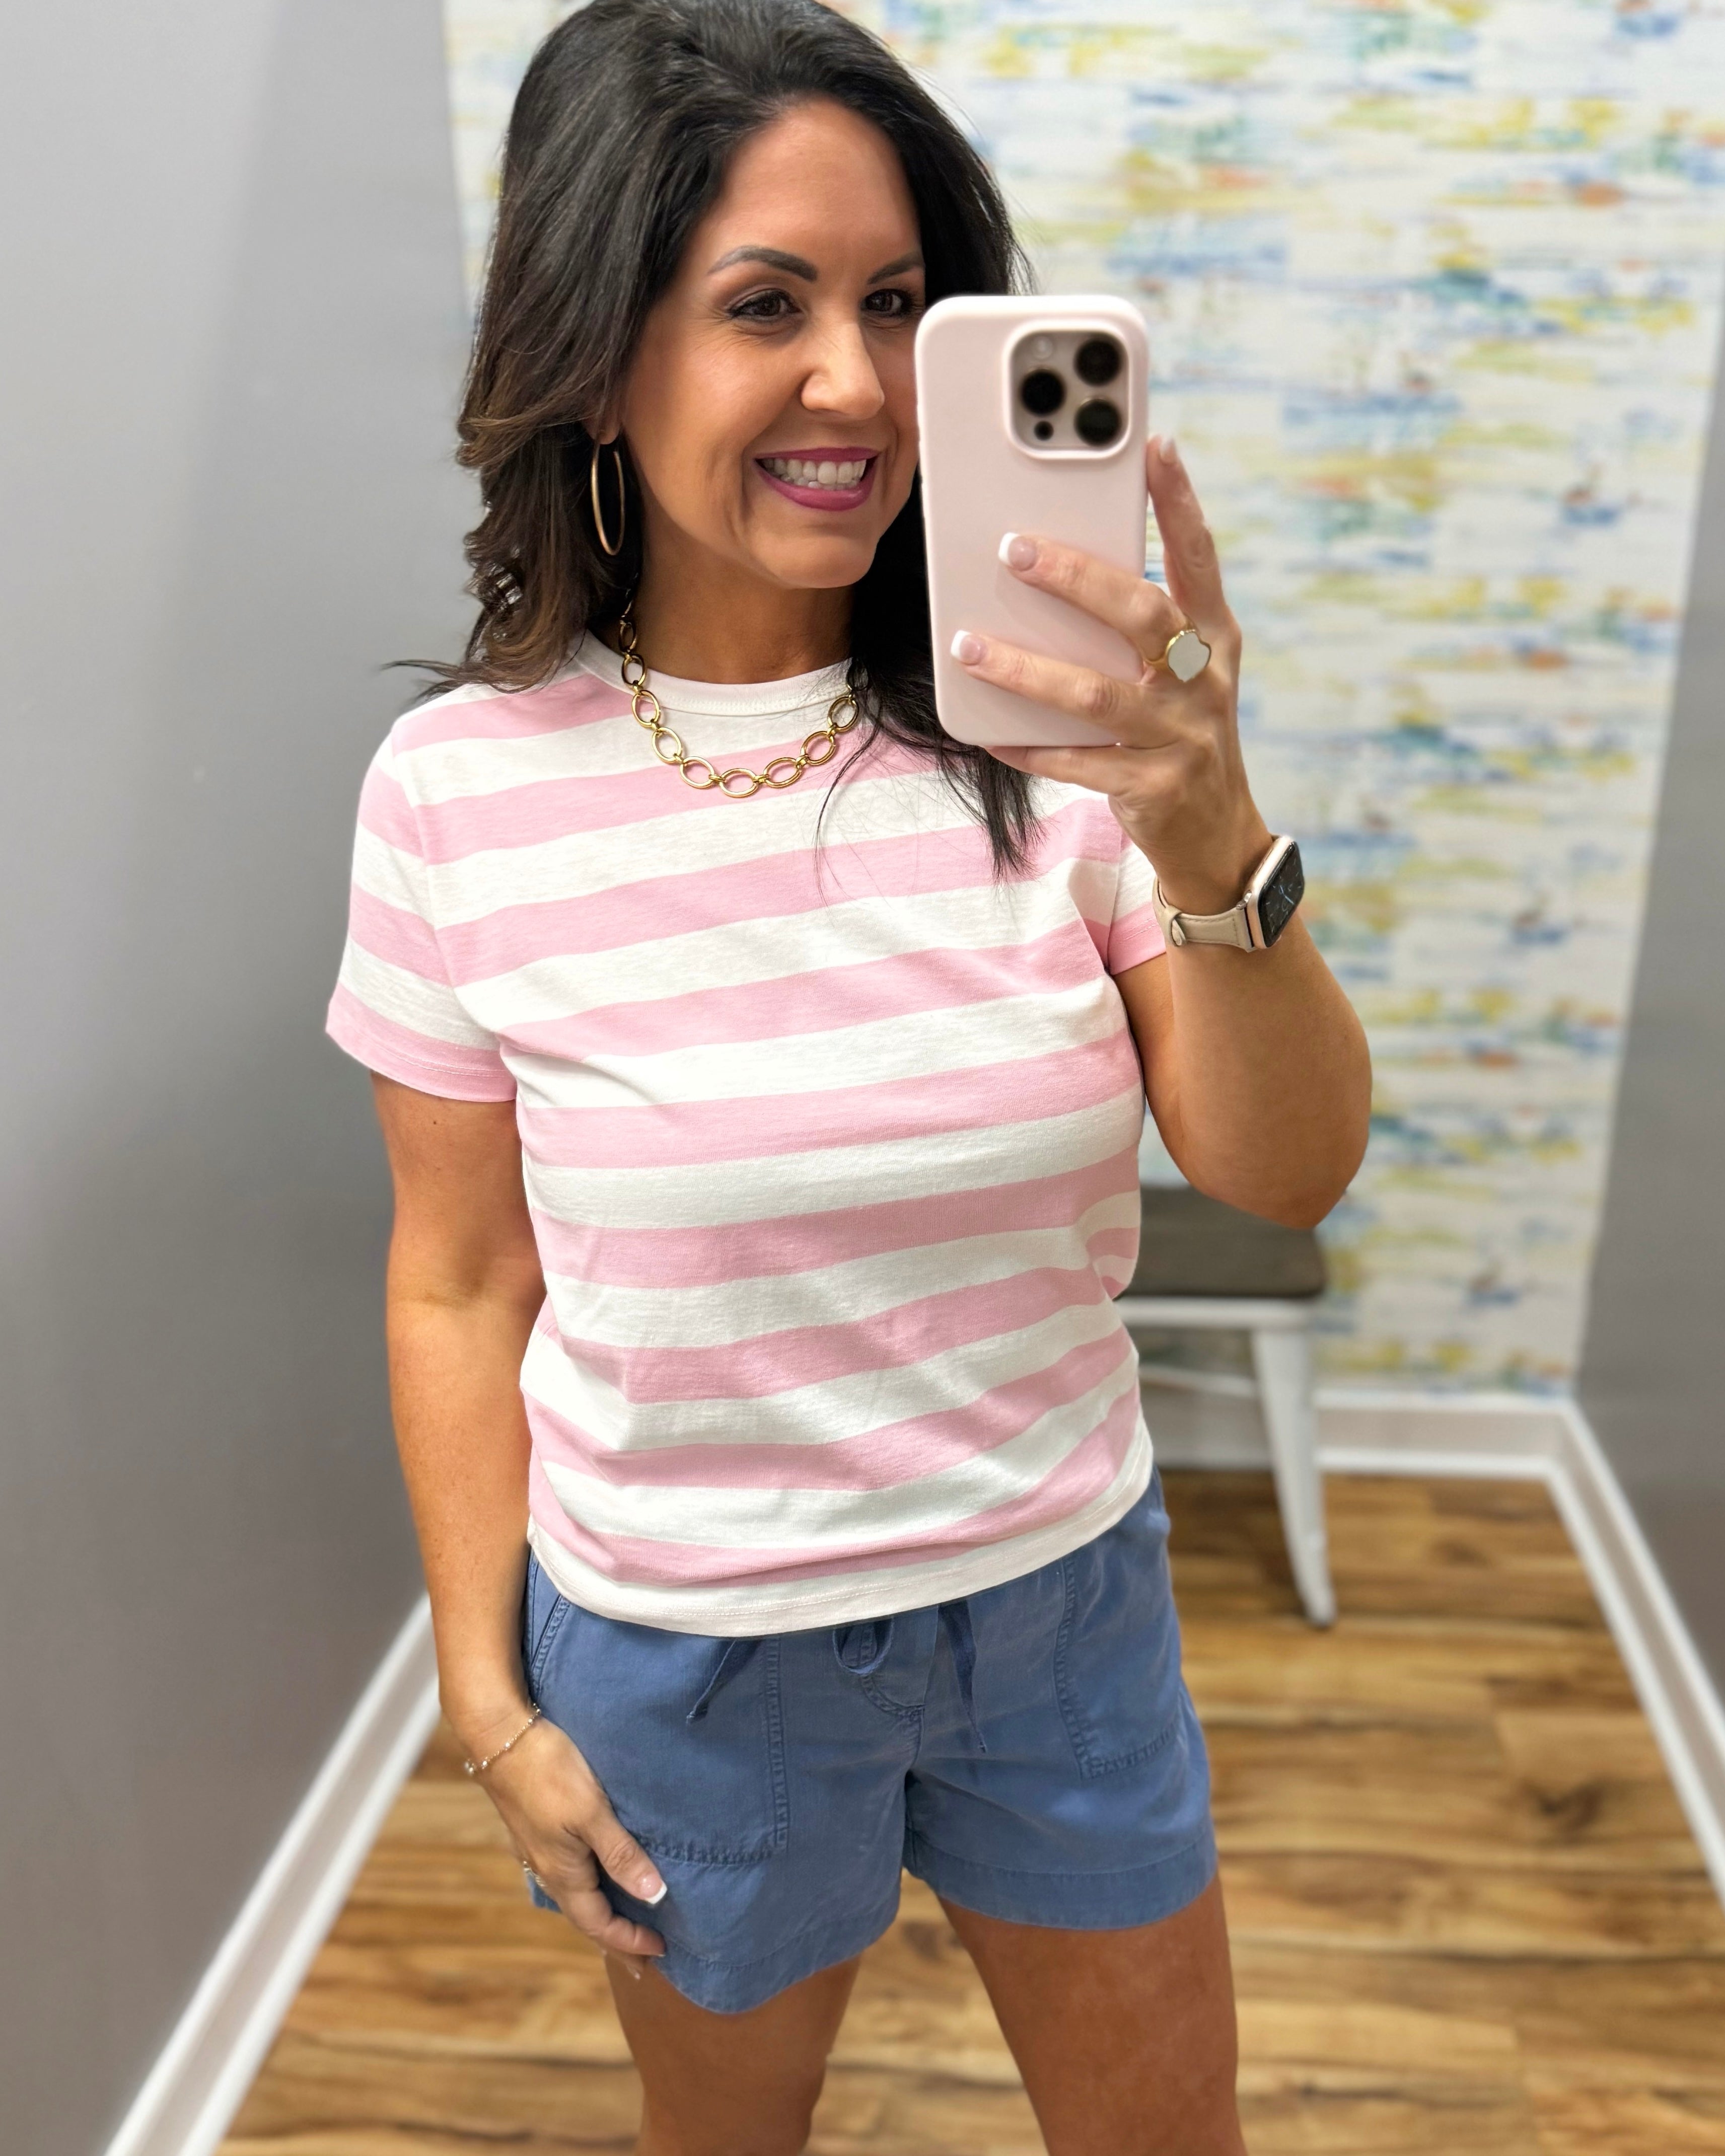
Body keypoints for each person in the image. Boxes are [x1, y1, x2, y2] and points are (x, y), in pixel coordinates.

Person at [326, 2, 1369, 2148]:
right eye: (764, 306)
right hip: (687, 1653)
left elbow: (1282, 1175)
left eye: (897, 303)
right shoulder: (452, 795)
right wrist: (481, 1688)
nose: (860, 384)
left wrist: (1206, 818)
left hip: (1057, 1606)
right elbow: (458, 1277)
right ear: (594, 353)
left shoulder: (1059, 740)